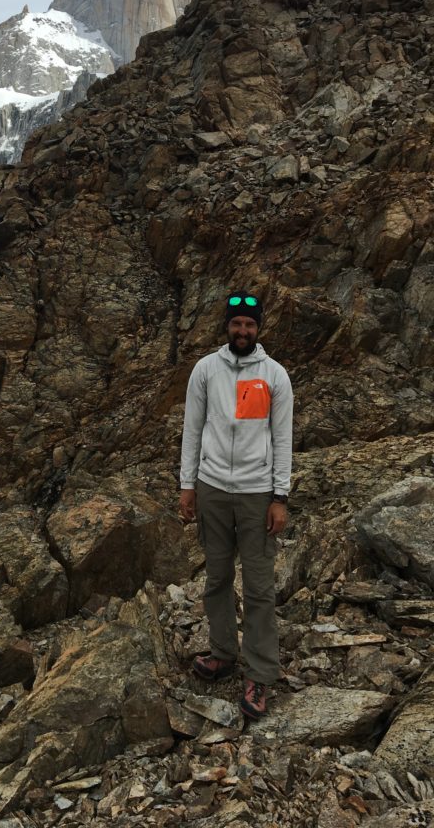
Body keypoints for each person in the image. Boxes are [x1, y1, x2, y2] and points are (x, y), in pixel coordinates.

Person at [179, 292, 293, 719]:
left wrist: (279, 497)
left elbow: (282, 438)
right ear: (226, 326)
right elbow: (192, 429)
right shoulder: (206, 370)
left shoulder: (275, 375)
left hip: (256, 493)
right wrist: (187, 485)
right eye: (236, 324)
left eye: (249, 324)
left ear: (259, 328)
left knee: (260, 587)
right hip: (211, 489)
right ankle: (223, 653)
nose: (242, 331)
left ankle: (260, 675)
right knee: (217, 577)